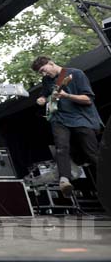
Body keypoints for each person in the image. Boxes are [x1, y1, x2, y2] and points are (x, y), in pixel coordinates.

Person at [31, 56, 102, 197]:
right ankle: (64, 180)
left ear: (51, 63)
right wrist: (42, 99)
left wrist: (67, 96)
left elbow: (88, 99)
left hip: (80, 118)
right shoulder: (47, 80)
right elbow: (45, 95)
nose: (44, 74)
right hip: (59, 118)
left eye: (44, 70)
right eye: (40, 73)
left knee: (92, 152)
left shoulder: (75, 74)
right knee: (61, 147)